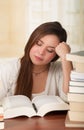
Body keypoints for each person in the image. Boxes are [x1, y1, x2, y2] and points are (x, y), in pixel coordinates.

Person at [0, 21, 72, 102]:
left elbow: (69, 99)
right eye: (38, 43)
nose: (41, 52)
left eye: (50, 50)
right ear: (31, 41)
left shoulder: (61, 69)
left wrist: (66, 58)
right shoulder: (8, 68)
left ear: (56, 55)